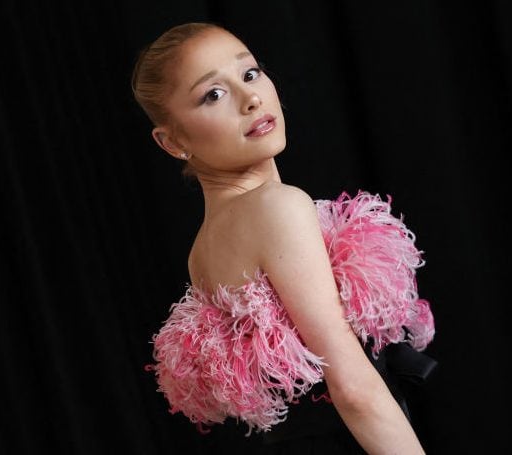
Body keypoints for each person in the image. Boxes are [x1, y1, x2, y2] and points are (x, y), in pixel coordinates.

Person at [132, 22, 436, 454]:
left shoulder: (204, 249)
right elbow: (352, 388)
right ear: (172, 141)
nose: (250, 98)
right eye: (213, 95)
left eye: (250, 73)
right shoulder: (277, 208)